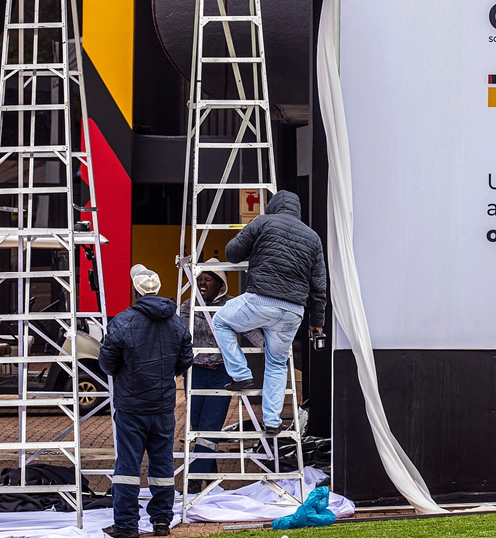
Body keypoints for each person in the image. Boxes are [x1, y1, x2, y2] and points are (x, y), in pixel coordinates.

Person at [212, 190, 326, 436]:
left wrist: (251, 231)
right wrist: (317, 321)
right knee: (277, 362)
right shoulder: (312, 237)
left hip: (261, 301)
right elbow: (319, 285)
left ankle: (241, 374)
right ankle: (273, 422)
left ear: (273, 206)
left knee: (220, 321)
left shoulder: (263, 222)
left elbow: (232, 253)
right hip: (294, 311)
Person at [99, 265, 193, 538]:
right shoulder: (176, 322)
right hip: (163, 405)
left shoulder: (123, 321)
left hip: (130, 406)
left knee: (127, 466)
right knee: (162, 464)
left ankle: (126, 524)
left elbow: (107, 363)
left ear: (135, 290)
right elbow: (185, 360)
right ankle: (162, 521)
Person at [179, 260, 263, 490]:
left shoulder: (232, 305)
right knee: (197, 426)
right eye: (200, 279)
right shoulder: (189, 306)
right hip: (195, 370)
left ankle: (194, 480)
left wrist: (270, 347)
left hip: (222, 371)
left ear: (219, 283)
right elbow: (179, 333)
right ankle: (211, 478)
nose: (202, 283)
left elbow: (250, 330)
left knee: (211, 424)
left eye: (208, 279)